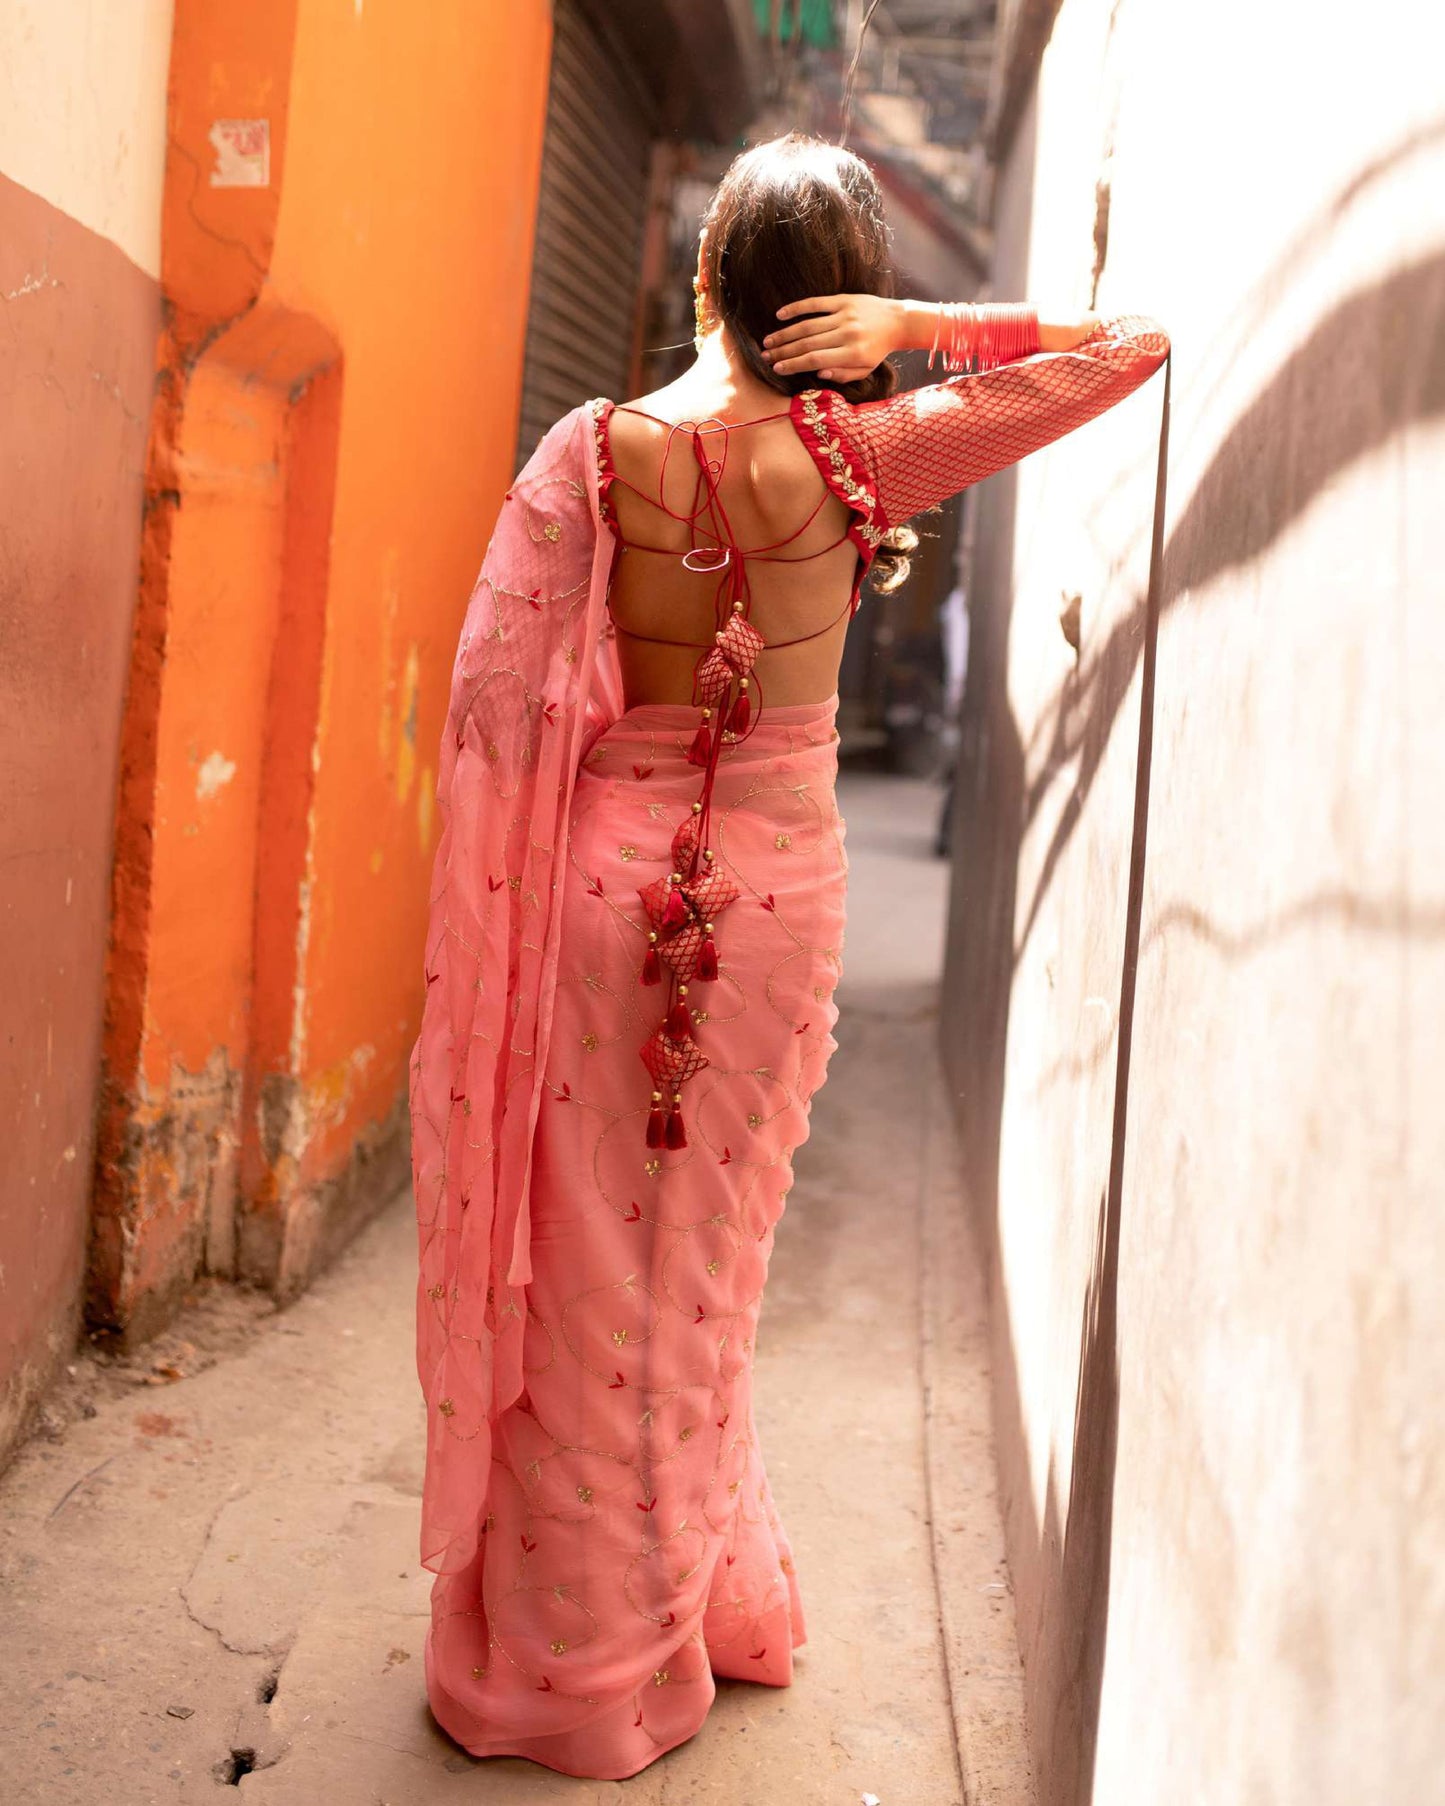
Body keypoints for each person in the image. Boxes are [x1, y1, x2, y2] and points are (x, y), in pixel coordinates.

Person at [410, 131, 1168, 1780]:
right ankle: (670, 1614)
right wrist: (922, 327)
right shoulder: (870, 457)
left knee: (586, 1270)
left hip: (597, 890)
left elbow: (491, 706)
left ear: (700, 277)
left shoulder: (599, 456)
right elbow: (1131, 348)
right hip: (768, 898)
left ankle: (558, 1652)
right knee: (696, 1277)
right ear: (831, 305)